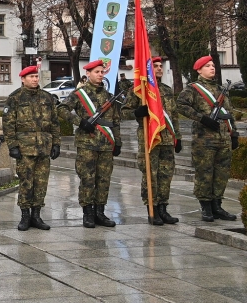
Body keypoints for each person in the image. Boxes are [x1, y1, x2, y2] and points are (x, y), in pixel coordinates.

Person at [58, 59, 122, 229]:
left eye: (102, 72)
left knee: (103, 180)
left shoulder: (109, 97)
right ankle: (88, 213)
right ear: (88, 73)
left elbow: (115, 121)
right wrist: (80, 122)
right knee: (87, 179)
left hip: (106, 145)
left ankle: (100, 213)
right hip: (87, 144)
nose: (100, 75)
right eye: (96, 72)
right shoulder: (79, 95)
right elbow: (62, 110)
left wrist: (118, 142)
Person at [177, 55, 239, 222]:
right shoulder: (192, 89)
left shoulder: (220, 89)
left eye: (213, 65)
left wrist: (234, 134)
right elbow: (181, 106)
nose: (212, 68)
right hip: (204, 141)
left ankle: (217, 206)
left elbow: (229, 114)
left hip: (223, 139)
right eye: (208, 66)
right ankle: (206, 208)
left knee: (221, 174)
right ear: (199, 70)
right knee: (205, 174)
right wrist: (202, 118)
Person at [125, 57, 181, 225]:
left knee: (166, 175)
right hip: (149, 139)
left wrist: (177, 136)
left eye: (160, 66)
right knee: (151, 174)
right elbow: (124, 112)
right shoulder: (139, 90)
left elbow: (174, 115)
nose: (158, 69)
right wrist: (137, 112)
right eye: (154, 66)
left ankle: (163, 208)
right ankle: (152, 208)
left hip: (167, 138)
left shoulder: (166, 90)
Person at [3, 65, 60, 231]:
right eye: (31, 77)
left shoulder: (47, 97)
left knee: (41, 183)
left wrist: (56, 143)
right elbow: (8, 124)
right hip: (25, 148)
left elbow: (55, 123)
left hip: (44, 147)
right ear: (23, 79)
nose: (35, 79)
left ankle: (36, 215)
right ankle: (25, 216)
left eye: (36, 76)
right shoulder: (15, 98)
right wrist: (13, 145)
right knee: (26, 182)